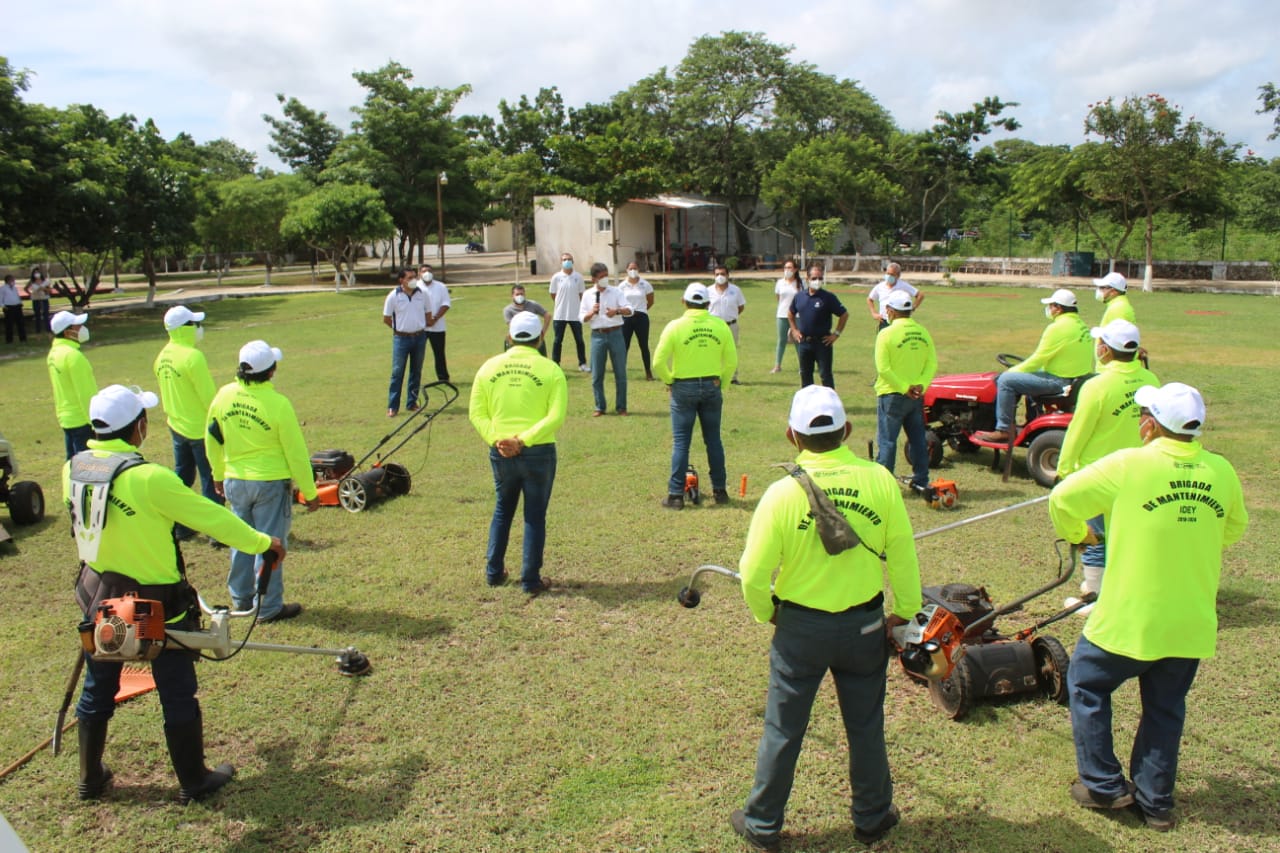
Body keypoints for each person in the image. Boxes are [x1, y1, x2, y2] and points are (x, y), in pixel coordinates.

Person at [64, 384, 286, 804]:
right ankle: (193, 781)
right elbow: (214, 520)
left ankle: (90, 779)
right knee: (177, 691)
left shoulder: (73, 467)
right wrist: (264, 543)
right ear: (138, 428)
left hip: (102, 600)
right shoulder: (150, 478)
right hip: (158, 607)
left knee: (98, 688)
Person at [1049, 382, 1247, 832]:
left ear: (1151, 425)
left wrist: (1081, 534)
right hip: (1189, 620)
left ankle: (1103, 785)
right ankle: (1156, 801)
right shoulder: (1222, 470)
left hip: (1129, 619)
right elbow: (1232, 528)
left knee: (1085, 683)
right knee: (1165, 706)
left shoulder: (1129, 464)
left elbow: (1062, 498)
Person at [732, 385, 922, 850]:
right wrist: (905, 614)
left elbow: (752, 574)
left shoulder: (780, 493)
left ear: (791, 435)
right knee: (866, 725)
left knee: (784, 727)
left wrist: (768, 613)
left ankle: (762, 825)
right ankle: (873, 818)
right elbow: (902, 555)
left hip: (799, 628)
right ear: (849, 431)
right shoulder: (880, 479)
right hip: (865, 626)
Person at [206, 340, 319, 624]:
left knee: (241, 541)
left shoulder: (223, 396)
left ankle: (241, 599)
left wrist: (217, 474)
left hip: (235, 480)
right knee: (270, 545)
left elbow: (211, 438)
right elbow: (295, 451)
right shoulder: (278, 404)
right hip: (269, 483)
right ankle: (267, 607)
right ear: (270, 372)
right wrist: (309, 490)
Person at [1055, 319, 1158, 609]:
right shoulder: (1151, 381)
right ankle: (1117, 589)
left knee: (1095, 536)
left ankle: (1095, 598)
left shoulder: (1097, 386)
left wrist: (1063, 472)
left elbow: (1077, 432)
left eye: (1100, 343)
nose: (1097, 347)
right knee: (1126, 535)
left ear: (1106, 351)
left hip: (1100, 474)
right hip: (1141, 472)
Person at [469, 312, 567, 595]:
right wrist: (523, 440)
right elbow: (555, 416)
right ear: (540, 338)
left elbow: (477, 414)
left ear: (509, 337)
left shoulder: (488, 368)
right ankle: (530, 580)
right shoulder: (551, 370)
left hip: (501, 452)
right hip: (539, 451)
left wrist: (498, 440)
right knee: (534, 515)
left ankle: (493, 572)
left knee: (503, 509)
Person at [652, 283, 737, 509]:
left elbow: (657, 362)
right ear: (708, 303)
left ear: (683, 301)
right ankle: (720, 491)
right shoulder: (720, 326)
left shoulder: (674, 326)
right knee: (714, 441)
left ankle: (675, 495)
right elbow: (731, 362)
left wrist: (670, 380)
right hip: (712, 385)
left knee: (681, 443)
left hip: (683, 388)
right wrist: (723, 386)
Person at [973, 289, 1093, 443]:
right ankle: (1031, 420)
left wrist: (1012, 371)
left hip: (1059, 381)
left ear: (1058, 308)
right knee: (1028, 377)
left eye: (1050, 305)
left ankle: (1003, 430)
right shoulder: (1080, 325)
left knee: (1005, 381)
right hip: (1074, 378)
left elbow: (1038, 358)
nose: (1048, 309)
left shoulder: (1057, 328)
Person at [153, 305, 221, 542]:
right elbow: (208, 397)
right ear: (184, 329)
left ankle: (180, 526)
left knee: (181, 478)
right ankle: (216, 531)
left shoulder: (162, 357)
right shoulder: (192, 357)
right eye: (194, 324)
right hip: (199, 429)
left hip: (176, 426)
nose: (198, 328)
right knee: (210, 478)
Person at [873, 290, 937, 493]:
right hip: (916, 396)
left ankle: (884, 485)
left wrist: (903, 387)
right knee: (918, 439)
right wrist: (920, 386)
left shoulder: (886, 334)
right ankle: (921, 479)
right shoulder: (923, 331)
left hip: (891, 394)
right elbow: (932, 364)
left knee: (887, 440)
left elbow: (883, 369)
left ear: (891, 311)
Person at [580, 262, 632, 416]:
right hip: (598, 335)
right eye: (601, 277)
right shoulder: (588, 295)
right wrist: (591, 313)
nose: (605, 279)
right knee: (597, 374)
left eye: (606, 276)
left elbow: (630, 310)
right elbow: (582, 317)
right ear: (593, 279)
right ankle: (599, 406)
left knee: (620, 372)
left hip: (616, 334)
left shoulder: (616, 292)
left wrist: (617, 311)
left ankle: (621, 407)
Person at [788, 264, 849, 389]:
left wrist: (836, 334)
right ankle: (808, 405)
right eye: (814, 278)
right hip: (804, 342)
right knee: (805, 375)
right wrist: (794, 330)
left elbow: (844, 314)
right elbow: (790, 313)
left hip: (823, 342)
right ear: (807, 279)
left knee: (825, 375)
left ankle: (830, 405)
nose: (818, 281)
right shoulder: (799, 297)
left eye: (820, 278)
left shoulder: (828, 297)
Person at [47, 310, 97, 459]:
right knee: (86, 468)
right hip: (82, 419)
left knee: (72, 465)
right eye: (78, 326)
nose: (82, 328)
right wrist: (95, 422)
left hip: (66, 418)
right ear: (68, 332)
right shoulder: (73, 356)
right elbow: (86, 392)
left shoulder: (53, 353)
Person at [383, 267, 430, 417]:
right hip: (401, 339)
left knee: (416, 371)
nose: (413, 280)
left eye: (414, 277)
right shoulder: (393, 296)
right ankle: (393, 406)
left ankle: (412, 402)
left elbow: (428, 314)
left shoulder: (422, 294)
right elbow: (386, 318)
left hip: (419, 337)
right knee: (397, 372)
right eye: (409, 278)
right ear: (401, 280)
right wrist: (400, 329)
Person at [549, 251, 589, 372]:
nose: (567, 261)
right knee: (557, 340)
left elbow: (582, 294)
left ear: (573, 262)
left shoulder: (578, 277)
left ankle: (582, 364)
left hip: (575, 315)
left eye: (569, 259)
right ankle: (555, 363)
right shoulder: (556, 277)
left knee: (579, 340)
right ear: (561, 262)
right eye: (565, 259)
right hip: (559, 315)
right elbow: (553, 294)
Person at [708, 264, 746, 384]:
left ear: (728, 275)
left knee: (731, 351)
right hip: (713, 326)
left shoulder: (735, 290)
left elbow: (741, 307)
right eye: (717, 274)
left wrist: (731, 316)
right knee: (713, 351)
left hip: (731, 325)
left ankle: (733, 377)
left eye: (723, 274)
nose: (720, 276)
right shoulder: (708, 291)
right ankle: (714, 376)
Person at [619, 261, 655, 380]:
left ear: (638, 269)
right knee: (624, 345)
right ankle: (621, 372)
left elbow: (650, 301)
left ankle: (648, 372)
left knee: (644, 345)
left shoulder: (645, 284)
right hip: (626, 318)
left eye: (635, 268)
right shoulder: (622, 286)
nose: (633, 270)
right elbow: (619, 302)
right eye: (630, 268)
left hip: (641, 318)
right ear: (626, 270)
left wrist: (642, 310)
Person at [867, 262, 923, 331]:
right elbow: (870, 299)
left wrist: (913, 308)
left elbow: (920, 295)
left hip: (899, 321)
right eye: (888, 273)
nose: (889, 276)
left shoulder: (903, 285)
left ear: (898, 275)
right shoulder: (880, 286)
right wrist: (874, 313)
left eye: (892, 274)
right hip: (884, 320)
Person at [419, 264, 451, 382]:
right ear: (419, 274)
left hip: (438, 327)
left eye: (429, 271)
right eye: (424, 271)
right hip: (421, 327)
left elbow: (446, 304)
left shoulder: (441, 287)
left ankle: (443, 378)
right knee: (417, 355)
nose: (427, 273)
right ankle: (416, 378)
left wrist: (435, 318)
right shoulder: (416, 287)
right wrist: (425, 320)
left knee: (439, 353)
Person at [502, 283, 550, 356]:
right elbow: (511, 326)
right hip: (517, 338)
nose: (520, 296)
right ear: (512, 296)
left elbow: (547, 316)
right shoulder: (508, 310)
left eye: (522, 294)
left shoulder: (533, 305)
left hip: (534, 337)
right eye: (517, 294)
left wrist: (542, 332)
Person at [771, 260, 800, 374]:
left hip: (797, 316)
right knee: (781, 340)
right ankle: (777, 365)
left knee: (798, 340)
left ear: (795, 269)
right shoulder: (780, 283)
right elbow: (778, 298)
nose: (787, 270)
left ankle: (802, 366)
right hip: (782, 314)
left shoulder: (800, 283)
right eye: (786, 267)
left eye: (790, 267)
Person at [26, 266, 51, 335]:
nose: (37, 274)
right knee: (37, 316)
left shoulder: (45, 281)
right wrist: (31, 294)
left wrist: (44, 289)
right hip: (36, 300)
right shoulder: (32, 281)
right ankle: (38, 332)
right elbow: (26, 288)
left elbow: (49, 290)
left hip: (44, 299)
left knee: (46, 315)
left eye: (38, 272)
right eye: (35, 272)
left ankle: (48, 331)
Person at [2, 273, 27, 343]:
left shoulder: (15, 288)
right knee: (9, 324)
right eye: (12, 280)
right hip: (8, 307)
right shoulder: (3, 288)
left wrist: (20, 303)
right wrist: (3, 306)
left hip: (17, 306)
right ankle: (9, 340)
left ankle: (23, 339)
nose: (14, 281)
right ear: (8, 280)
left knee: (21, 323)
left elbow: (17, 296)